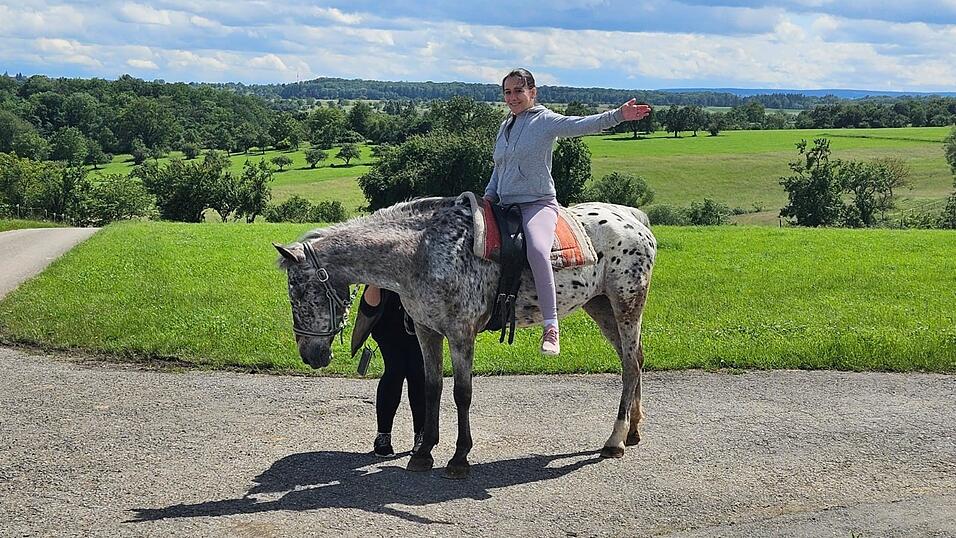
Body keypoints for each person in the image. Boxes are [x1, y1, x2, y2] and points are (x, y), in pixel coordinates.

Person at [483, 68, 651, 356]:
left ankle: (551, 327)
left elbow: (582, 125)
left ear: (532, 93)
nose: (512, 97)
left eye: (518, 91)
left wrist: (619, 116)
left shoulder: (544, 121)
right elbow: (500, 169)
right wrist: (486, 198)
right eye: (507, 92)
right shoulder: (505, 126)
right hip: (503, 206)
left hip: (537, 204)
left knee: (537, 250)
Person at [351, 285, 425, 457]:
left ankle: (421, 435)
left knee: (417, 372)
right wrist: (374, 279)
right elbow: (370, 306)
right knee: (395, 370)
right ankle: (383, 435)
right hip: (387, 322)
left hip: (421, 322)